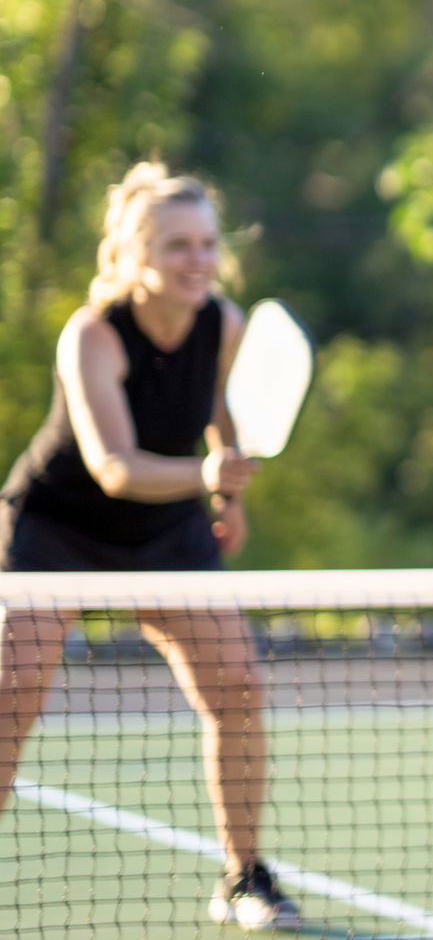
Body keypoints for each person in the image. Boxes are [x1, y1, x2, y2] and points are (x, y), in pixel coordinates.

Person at [0, 162, 296, 930]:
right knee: (11, 695)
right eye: (176, 246)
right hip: (56, 529)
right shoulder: (92, 333)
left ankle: (244, 877)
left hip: (167, 532)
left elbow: (224, 416)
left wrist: (228, 495)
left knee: (237, 687)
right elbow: (114, 465)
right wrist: (208, 475)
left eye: (205, 244)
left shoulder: (223, 322)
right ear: (135, 258)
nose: (197, 260)